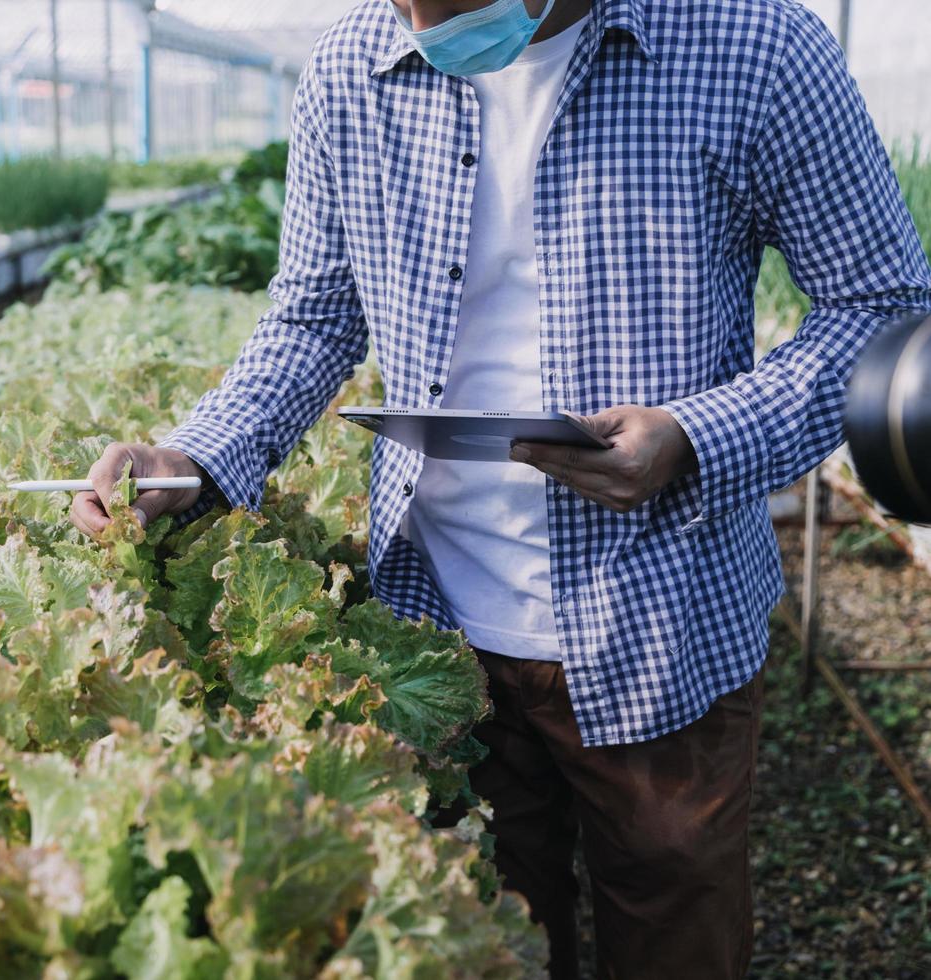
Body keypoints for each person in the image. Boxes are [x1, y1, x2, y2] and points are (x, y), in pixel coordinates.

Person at [67, 1, 931, 977]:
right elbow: (312, 319)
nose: (416, 17)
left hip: (661, 620)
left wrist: (693, 436)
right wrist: (193, 455)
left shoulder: (751, 44)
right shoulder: (354, 64)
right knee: (494, 945)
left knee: (675, 933)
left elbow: (882, 306)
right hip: (439, 633)